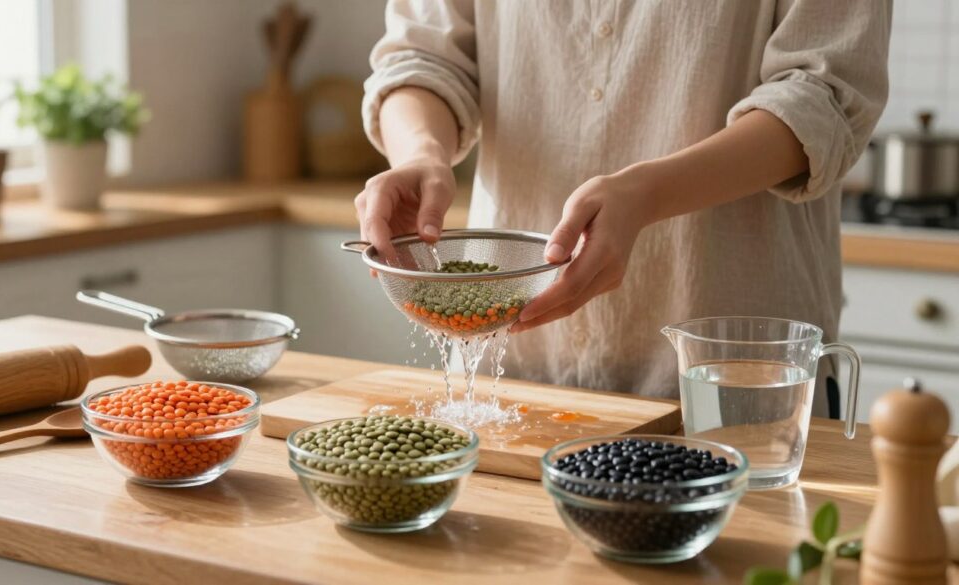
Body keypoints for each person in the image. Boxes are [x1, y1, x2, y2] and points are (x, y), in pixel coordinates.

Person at [355, 1, 890, 415]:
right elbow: (422, 56)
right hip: (513, 369)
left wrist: (648, 194)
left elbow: (823, 96)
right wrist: (421, 152)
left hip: (727, 381)